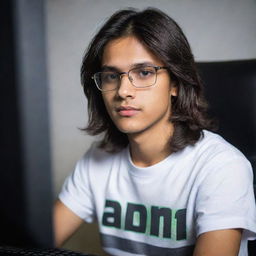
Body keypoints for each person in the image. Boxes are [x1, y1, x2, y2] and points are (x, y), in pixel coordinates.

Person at [54, 8, 256, 256]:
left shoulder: (222, 167)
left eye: (144, 72)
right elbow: (31, 244)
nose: (123, 91)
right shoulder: (97, 158)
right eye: (111, 76)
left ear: (175, 83)